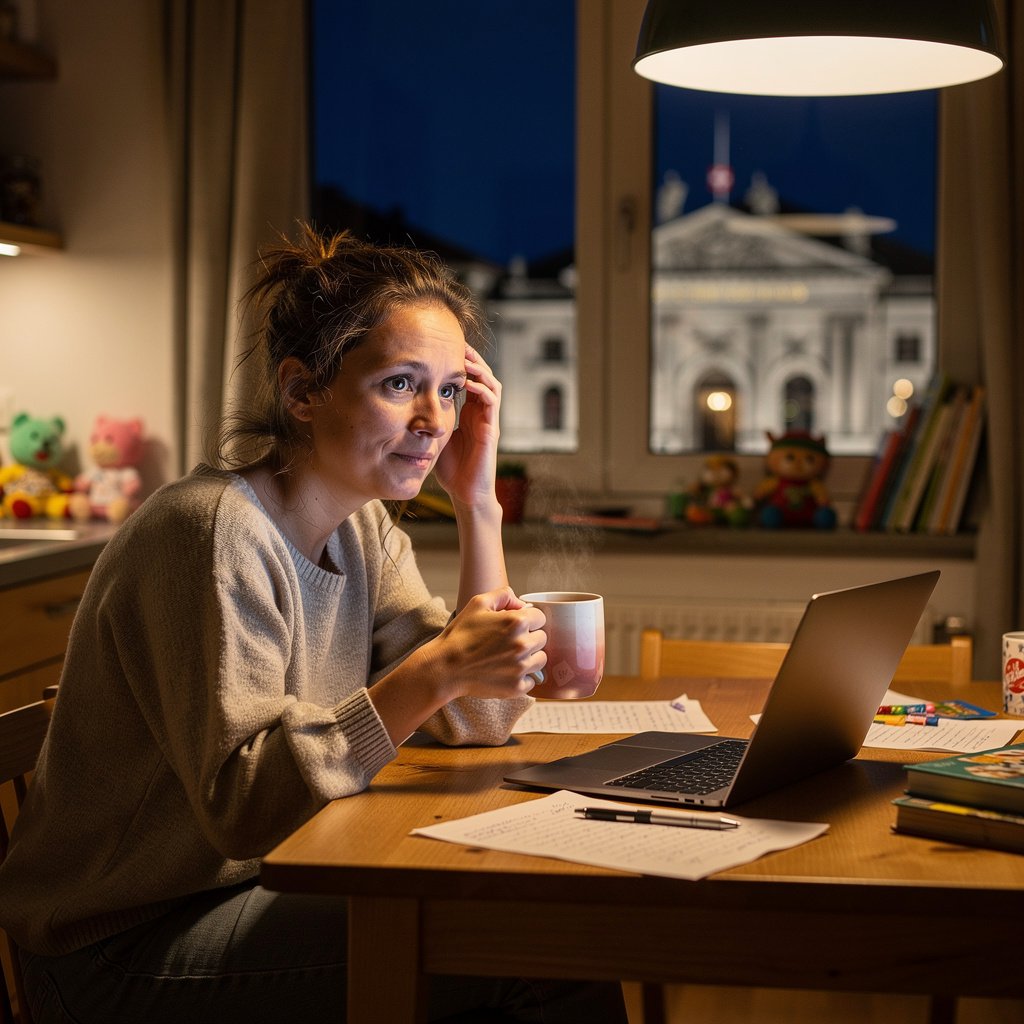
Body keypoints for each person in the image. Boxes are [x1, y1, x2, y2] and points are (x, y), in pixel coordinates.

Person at [0, 226, 628, 1023]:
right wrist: (432, 672)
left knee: (527, 927)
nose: (436, 419)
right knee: (529, 943)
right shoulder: (210, 533)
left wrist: (478, 505)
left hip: (263, 883)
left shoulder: (363, 529)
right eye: (401, 385)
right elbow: (245, 809)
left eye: (451, 390)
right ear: (303, 392)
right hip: (119, 945)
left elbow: (479, 717)